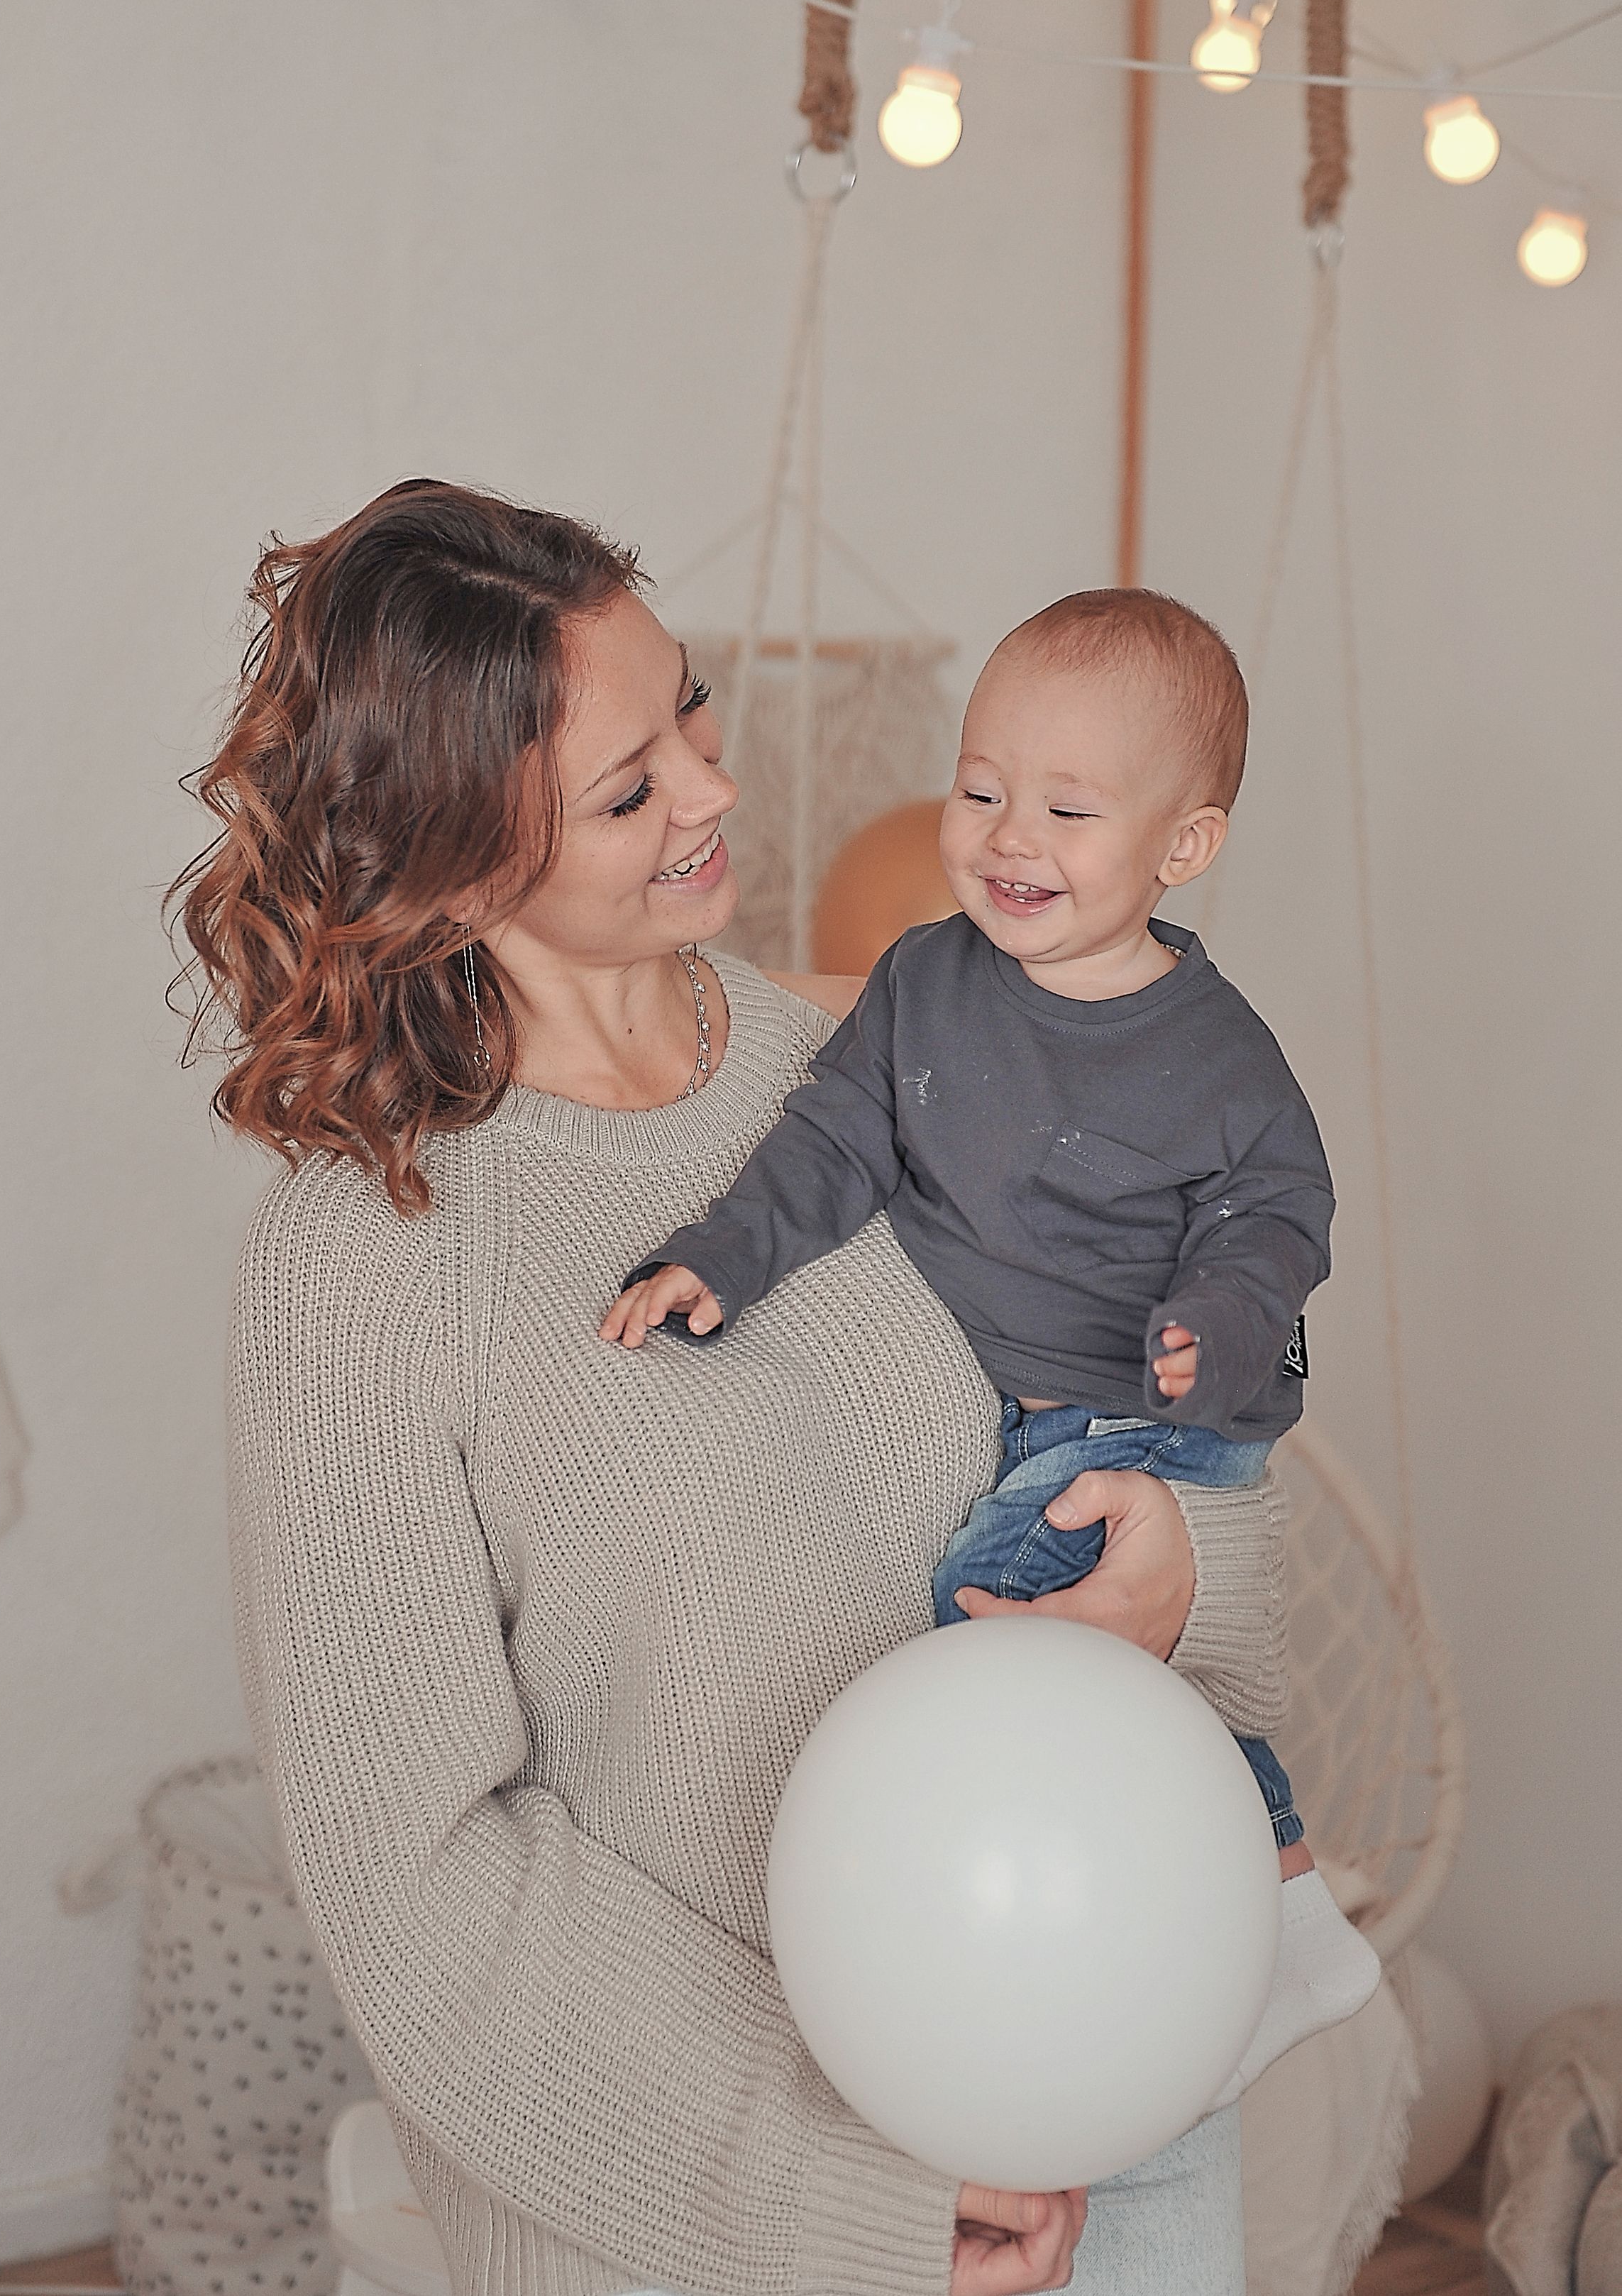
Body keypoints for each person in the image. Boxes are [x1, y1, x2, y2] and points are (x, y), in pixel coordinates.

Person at [182, 482, 1291, 2296]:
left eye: (689, 710)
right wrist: (848, 2190)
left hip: (1120, 2085)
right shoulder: (363, 1263)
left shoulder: (896, 1047)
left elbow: (1177, 1411)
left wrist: (1185, 1573)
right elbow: (423, 1888)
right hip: (731, 2226)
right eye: (630, 791)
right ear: (457, 864)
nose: (714, 789)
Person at [606, 590, 1382, 2104]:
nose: (1010, 837)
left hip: (1144, 1416)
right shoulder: (923, 982)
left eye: (1069, 811)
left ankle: (1114, 1968)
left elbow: (1282, 1216)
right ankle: (1283, 1910)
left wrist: (1218, 1323)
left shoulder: (1217, 1056)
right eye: (980, 791)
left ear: (1182, 846)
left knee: (992, 1644)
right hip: (1039, 1421)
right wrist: (722, 1256)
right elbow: (831, 1142)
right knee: (1123, 1688)